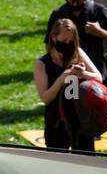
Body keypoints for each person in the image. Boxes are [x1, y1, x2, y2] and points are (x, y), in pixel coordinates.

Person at [34, 18, 102, 151]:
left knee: (86, 163)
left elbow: (98, 78)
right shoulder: (42, 64)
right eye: (64, 41)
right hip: (56, 122)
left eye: (71, 42)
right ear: (54, 37)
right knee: (59, 165)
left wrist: (82, 73)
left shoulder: (77, 53)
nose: (68, 45)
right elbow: (45, 97)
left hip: (80, 120)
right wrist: (64, 76)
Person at [46, 0, 107, 82]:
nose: (76, 4)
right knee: (72, 97)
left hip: (96, 70)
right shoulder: (58, 14)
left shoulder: (99, 11)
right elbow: (49, 45)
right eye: (71, 0)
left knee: (97, 97)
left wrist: (100, 32)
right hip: (69, 73)